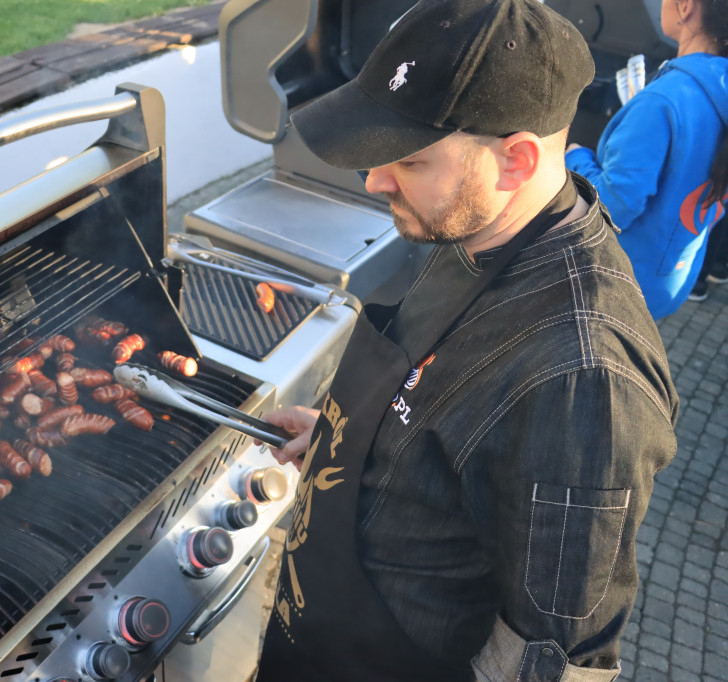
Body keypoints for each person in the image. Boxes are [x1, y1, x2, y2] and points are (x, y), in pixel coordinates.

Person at [253, 0, 679, 680]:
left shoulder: (584, 381)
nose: (374, 179)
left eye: (410, 161)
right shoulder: (477, 226)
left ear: (516, 160)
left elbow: (550, 657)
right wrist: (352, 445)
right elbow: (445, 415)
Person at [565, 0, 728, 318]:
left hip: (615, 284)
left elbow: (614, 207)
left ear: (685, 6)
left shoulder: (661, 101)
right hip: (670, 278)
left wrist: (577, 158)